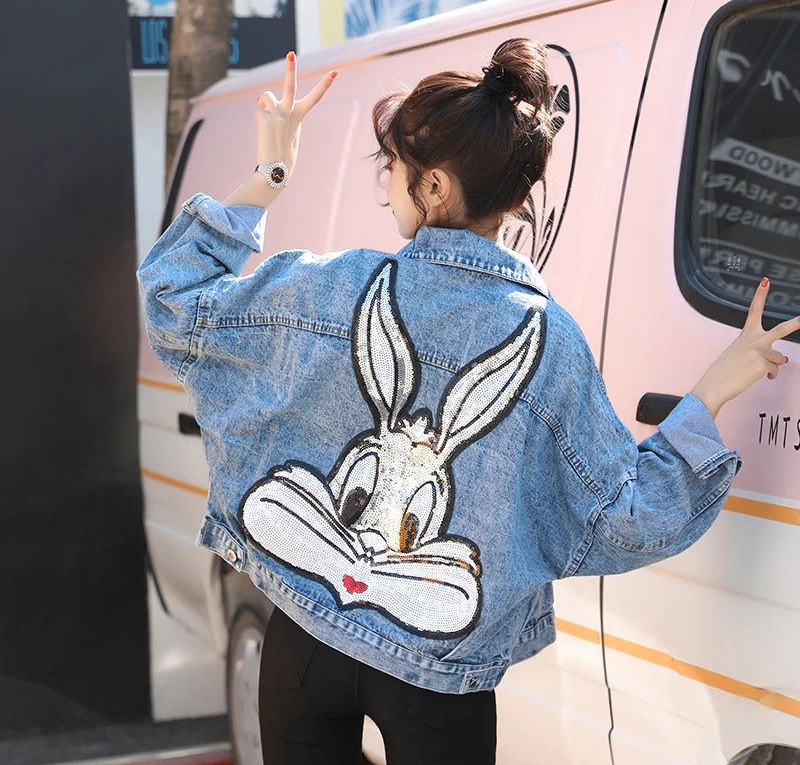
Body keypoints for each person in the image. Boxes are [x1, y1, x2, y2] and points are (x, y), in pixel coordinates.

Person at [137, 39, 798, 765]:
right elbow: (629, 516)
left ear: (434, 186)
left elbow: (176, 298)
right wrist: (708, 394)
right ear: (514, 197)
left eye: (392, 167)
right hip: (439, 678)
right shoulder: (549, 343)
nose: (385, 184)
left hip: (306, 645)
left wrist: (273, 171)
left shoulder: (335, 287)